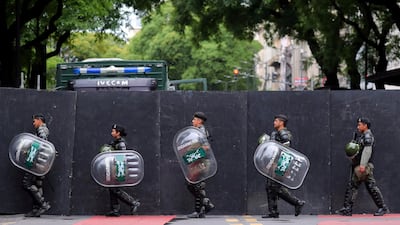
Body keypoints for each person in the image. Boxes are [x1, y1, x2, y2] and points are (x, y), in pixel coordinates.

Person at [335, 118, 389, 216]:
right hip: (360, 166)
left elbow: (367, 151)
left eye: (360, 125)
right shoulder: (362, 136)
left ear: (365, 125)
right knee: (358, 186)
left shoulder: (367, 136)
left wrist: (363, 165)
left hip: (364, 167)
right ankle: (348, 208)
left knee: (366, 187)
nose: (358, 127)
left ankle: (382, 207)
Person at [262, 114, 305, 218]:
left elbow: (286, 148)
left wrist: (278, 163)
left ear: (281, 122)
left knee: (275, 186)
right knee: (270, 186)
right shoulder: (276, 133)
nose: (274, 122)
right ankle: (273, 211)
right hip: (275, 162)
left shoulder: (284, 133)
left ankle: (297, 202)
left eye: (276, 121)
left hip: (282, 161)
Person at [105, 124, 141, 217]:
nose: (111, 133)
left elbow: (122, 157)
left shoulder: (121, 144)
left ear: (118, 133)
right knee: (111, 188)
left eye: (113, 131)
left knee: (115, 189)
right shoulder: (115, 142)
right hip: (114, 167)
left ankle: (133, 203)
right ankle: (115, 209)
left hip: (119, 168)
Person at [187, 112, 215, 218]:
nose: (192, 121)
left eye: (194, 119)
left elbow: (206, 147)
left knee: (194, 184)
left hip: (202, 162)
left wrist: (195, 155)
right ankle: (202, 209)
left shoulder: (201, 132)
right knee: (197, 186)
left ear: (199, 121)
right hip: (198, 161)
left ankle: (203, 206)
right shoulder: (197, 132)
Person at [23, 114, 51, 217]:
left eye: (34, 121)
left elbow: (41, 144)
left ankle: (42, 204)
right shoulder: (44, 130)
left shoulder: (41, 130)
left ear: (39, 120)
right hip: (42, 162)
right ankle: (36, 209)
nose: (33, 123)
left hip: (36, 161)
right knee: (38, 184)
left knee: (27, 183)